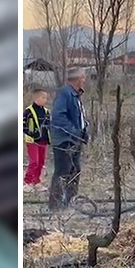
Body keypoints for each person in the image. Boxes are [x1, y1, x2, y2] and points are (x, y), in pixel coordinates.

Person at [48, 69, 90, 211]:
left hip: (74, 140)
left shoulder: (75, 95)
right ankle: (55, 207)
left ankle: (70, 203)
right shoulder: (65, 93)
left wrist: (84, 131)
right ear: (78, 79)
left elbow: (79, 116)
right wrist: (75, 131)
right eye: (83, 78)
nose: (84, 81)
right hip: (65, 140)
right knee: (63, 171)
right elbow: (58, 117)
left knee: (75, 170)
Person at [22, 88, 51, 186]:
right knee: (34, 161)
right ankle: (28, 182)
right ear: (36, 98)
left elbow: (49, 125)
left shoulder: (46, 112)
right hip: (32, 141)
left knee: (41, 162)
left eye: (46, 98)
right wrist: (30, 133)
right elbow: (22, 125)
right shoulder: (28, 111)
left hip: (43, 140)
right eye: (43, 98)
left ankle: (37, 181)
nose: (45, 100)